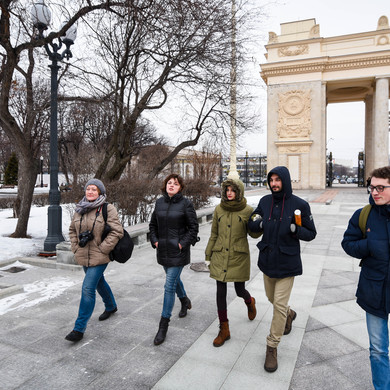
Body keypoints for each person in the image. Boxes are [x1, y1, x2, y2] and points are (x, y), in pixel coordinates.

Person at [248, 166, 316, 372]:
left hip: (287, 262)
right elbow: (253, 221)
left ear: (285, 181)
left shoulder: (300, 205)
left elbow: (311, 233)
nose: (274, 184)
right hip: (268, 260)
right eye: (272, 180)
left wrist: (297, 230)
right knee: (272, 298)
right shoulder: (264, 202)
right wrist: (256, 224)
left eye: (278, 180)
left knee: (278, 303)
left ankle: (272, 346)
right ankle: (289, 313)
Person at [341, 166, 390, 390]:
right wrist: (369, 245)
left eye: (381, 187)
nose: (375, 192)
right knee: (378, 349)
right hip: (373, 291)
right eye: (372, 187)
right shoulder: (363, 215)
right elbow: (348, 243)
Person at [205, 177, 261, 347]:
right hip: (220, 255)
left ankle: (249, 301)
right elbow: (214, 234)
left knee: (239, 290)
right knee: (220, 291)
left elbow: (253, 234)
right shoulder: (219, 210)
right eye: (227, 190)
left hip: (238, 256)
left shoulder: (247, 210)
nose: (229, 193)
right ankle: (224, 329)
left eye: (233, 190)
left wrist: (259, 224)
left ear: (239, 192)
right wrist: (208, 254)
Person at [66, 179, 123, 342]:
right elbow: (72, 230)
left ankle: (79, 329)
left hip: (100, 255)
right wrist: (75, 247)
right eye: (88, 189)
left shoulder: (107, 208)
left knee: (87, 288)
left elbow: (116, 231)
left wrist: (103, 248)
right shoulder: (80, 208)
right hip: (83, 255)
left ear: (100, 193)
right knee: (99, 282)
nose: (90, 192)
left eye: (94, 189)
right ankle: (111, 306)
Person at [149, 174, 199, 345]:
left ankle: (163, 325)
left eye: (175, 184)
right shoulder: (159, 202)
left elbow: (193, 228)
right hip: (162, 250)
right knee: (175, 281)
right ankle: (185, 300)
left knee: (169, 284)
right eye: (169, 183)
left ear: (180, 187)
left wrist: (181, 244)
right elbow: (152, 225)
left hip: (178, 252)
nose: (171, 185)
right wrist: (155, 240)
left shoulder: (186, 204)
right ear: (165, 186)